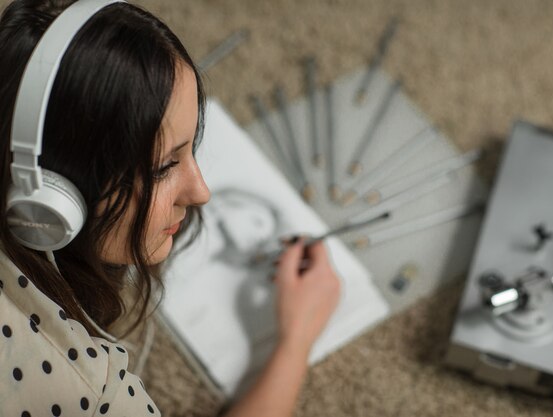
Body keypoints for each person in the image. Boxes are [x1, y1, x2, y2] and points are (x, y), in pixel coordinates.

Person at [0, 1, 341, 416]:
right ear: (51, 194)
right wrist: (296, 340)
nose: (201, 192)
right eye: (164, 166)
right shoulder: (86, 388)